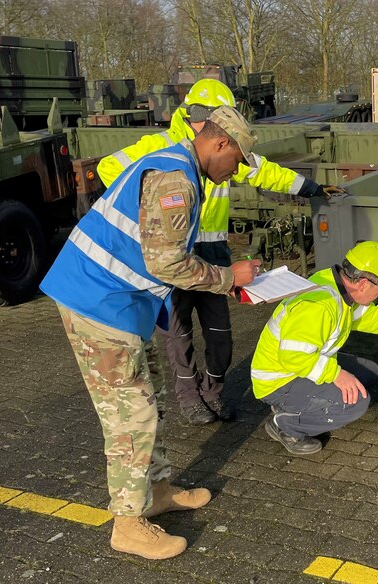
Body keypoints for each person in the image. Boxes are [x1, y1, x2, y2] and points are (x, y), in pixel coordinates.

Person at [41, 106, 260, 559]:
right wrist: (228, 278)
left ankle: (155, 492)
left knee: (151, 396)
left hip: (119, 303)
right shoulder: (176, 180)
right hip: (98, 303)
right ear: (219, 144)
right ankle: (127, 522)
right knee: (130, 415)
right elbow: (166, 263)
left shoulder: (176, 165)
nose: (234, 172)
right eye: (236, 161)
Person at [98, 79, 340, 426]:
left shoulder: (225, 148)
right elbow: (109, 168)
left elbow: (265, 172)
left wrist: (312, 188)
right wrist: (150, 217)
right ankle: (190, 399)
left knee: (219, 334)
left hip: (213, 252)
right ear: (197, 116)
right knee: (178, 335)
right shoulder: (161, 147)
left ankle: (213, 392)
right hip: (173, 254)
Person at [250, 241, 378, 454]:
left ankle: (295, 406)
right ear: (363, 283)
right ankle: (286, 426)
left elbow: (370, 318)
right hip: (278, 379)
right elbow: (292, 356)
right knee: (357, 403)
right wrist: (336, 374)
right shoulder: (319, 306)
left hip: (298, 366)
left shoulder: (338, 288)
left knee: (369, 374)